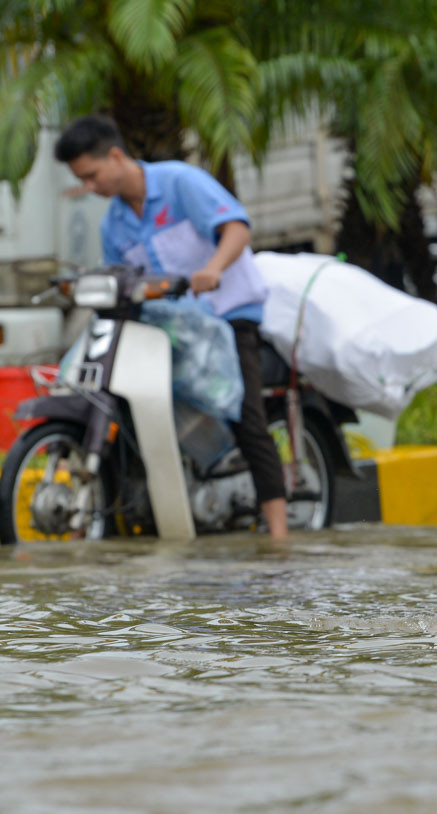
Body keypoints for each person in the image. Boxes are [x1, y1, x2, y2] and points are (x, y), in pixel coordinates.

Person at [54, 115, 289, 537]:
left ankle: (279, 535)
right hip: (177, 327)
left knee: (245, 415)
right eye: (82, 181)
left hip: (228, 314)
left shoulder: (180, 182)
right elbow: (123, 280)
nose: (90, 188)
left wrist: (213, 268)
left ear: (115, 156)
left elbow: (236, 227)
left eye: (92, 176)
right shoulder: (114, 223)